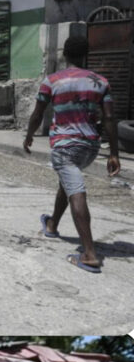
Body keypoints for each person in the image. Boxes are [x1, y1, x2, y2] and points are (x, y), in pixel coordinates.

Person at [24, 35, 120, 273]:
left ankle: (89, 254)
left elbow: (38, 114)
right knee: (67, 181)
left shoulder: (52, 81)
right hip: (90, 147)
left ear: (64, 55)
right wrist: (114, 154)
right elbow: (109, 118)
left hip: (65, 145)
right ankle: (53, 224)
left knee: (75, 190)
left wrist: (29, 135)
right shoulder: (100, 82)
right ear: (85, 54)